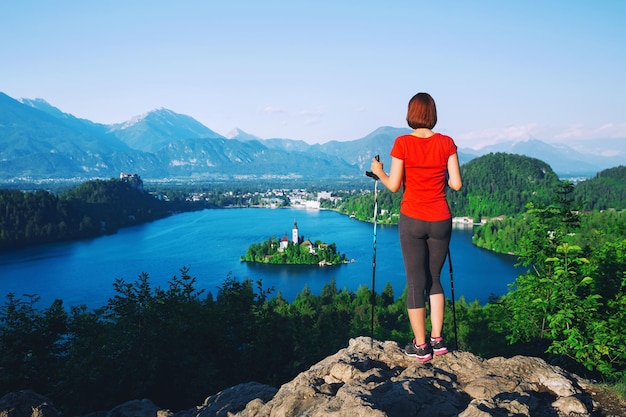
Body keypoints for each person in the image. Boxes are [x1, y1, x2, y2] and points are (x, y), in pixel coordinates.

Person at [370, 92, 462, 362]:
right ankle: (438, 339)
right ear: (433, 114)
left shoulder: (402, 143)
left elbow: (394, 185)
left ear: (411, 114)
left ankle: (420, 347)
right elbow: (456, 184)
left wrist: (379, 171)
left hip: (412, 217)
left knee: (415, 283)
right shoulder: (447, 143)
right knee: (435, 279)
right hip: (440, 218)